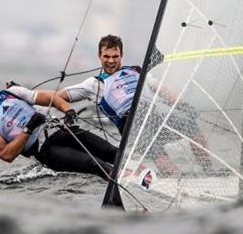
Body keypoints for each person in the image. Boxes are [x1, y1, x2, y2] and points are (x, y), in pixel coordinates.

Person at [44, 34, 211, 173]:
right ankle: (171, 182)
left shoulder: (136, 72)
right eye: (106, 56)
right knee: (165, 162)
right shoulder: (94, 84)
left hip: (154, 118)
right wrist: (34, 99)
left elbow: (161, 90)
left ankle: (209, 171)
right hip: (132, 126)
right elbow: (58, 96)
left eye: (115, 56)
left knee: (192, 128)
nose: (111, 61)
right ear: (99, 56)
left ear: (121, 55)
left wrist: (184, 105)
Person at [0, 65, 117, 179]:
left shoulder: (13, 92)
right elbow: (7, 155)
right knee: (95, 164)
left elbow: (47, 97)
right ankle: (121, 183)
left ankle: (138, 172)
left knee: (113, 152)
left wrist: (68, 110)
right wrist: (29, 128)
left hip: (61, 130)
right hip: (45, 150)